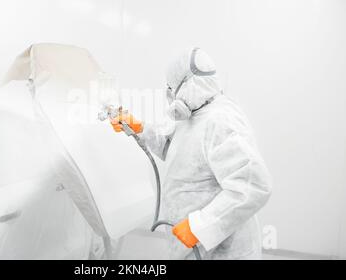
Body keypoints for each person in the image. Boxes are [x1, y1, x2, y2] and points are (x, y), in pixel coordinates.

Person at [110, 47, 272, 259]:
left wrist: (200, 226)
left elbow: (253, 186)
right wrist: (140, 128)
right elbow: (178, 154)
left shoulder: (220, 120)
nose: (169, 95)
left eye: (171, 87)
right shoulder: (196, 116)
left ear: (188, 84)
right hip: (197, 246)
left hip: (222, 250)